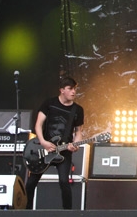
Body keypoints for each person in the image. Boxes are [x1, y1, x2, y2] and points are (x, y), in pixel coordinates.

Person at [24, 75, 84, 210]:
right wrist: (43, 142)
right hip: (44, 148)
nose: (74, 92)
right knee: (32, 182)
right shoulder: (49, 103)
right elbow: (38, 125)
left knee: (64, 182)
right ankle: (26, 211)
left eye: (75, 89)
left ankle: (67, 213)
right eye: (70, 89)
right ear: (62, 90)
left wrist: (75, 144)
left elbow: (78, 132)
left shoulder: (78, 110)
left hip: (63, 151)